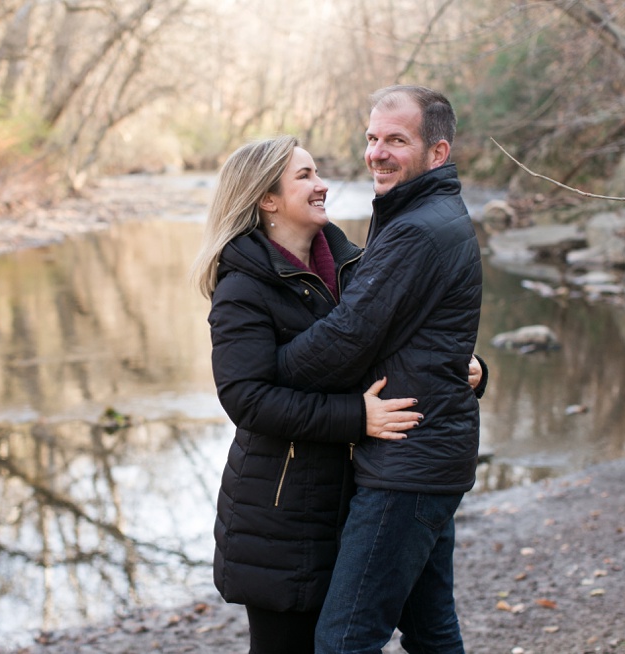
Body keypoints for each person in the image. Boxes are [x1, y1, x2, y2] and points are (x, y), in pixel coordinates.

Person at [191, 135, 486, 654]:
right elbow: (247, 400)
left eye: (317, 171)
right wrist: (357, 417)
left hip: (358, 492)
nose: (322, 184)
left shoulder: (357, 264)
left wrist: (475, 367)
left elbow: (410, 336)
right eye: (304, 176)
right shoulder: (244, 288)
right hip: (283, 509)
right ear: (267, 199)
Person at [274, 85, 483, 653]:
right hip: (430, 453)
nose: (377, 153)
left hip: (407, 464)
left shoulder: (416, 229)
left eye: (396, 140)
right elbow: (421, 331)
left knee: (345, 639)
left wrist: (272, 368)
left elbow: (347, 339)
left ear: (436, 153)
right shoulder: (419, 213)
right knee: (431, 630)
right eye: (372, 139)